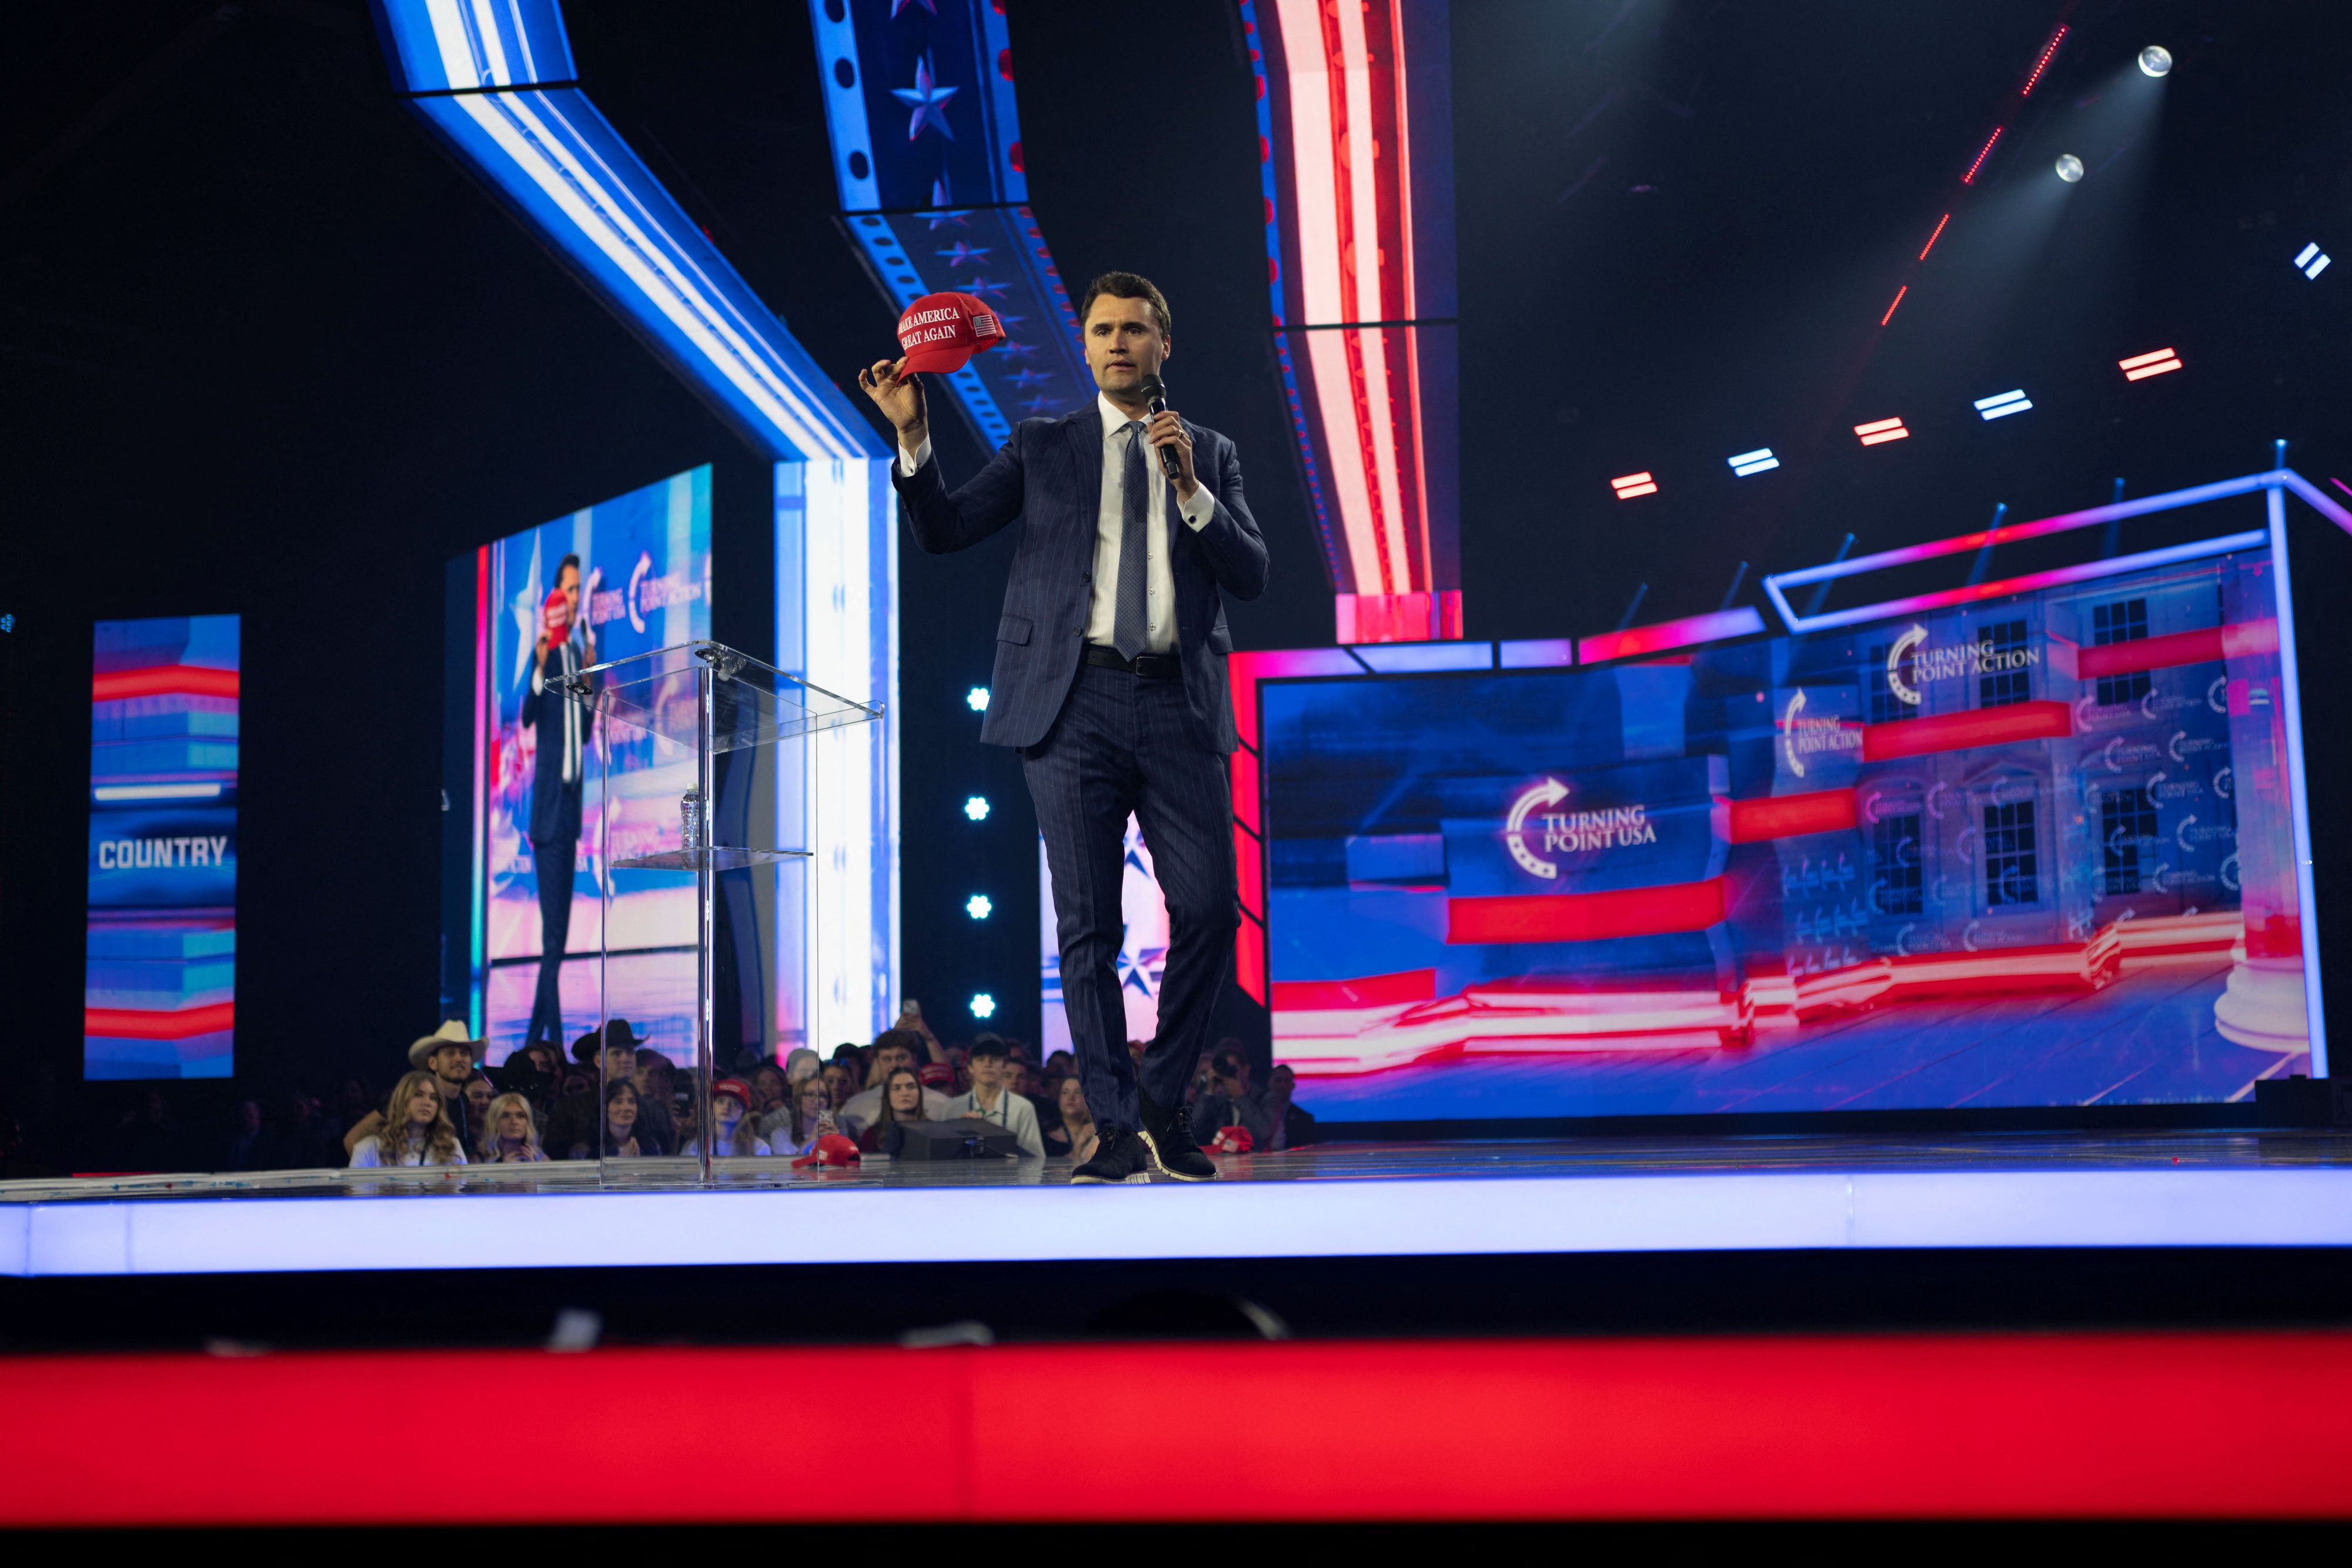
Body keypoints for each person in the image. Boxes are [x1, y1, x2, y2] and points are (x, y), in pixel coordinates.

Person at [862, 272, 1264, 1185]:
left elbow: (1252, 574)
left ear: (1165, 345)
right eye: (1103, 329)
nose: (1119, 342)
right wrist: (913, 435)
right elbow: (946, 529)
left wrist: (1193, 490)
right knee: (1089, 929)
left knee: (1207, 907)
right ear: (1083, 347)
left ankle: (1160, 1099)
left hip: (1178, 703)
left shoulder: (1210, 450)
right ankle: (1117, 1126)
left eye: (1136, 329)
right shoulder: (1044, 445)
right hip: (1071, 702)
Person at [519, 551, 597, 1048]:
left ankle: (534, 1043)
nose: (571, 599)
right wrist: (541, 662)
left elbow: (584, 732)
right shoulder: (547, 651)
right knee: (553, 938)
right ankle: (553, 1042)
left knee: (559, 938)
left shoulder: (581, 654)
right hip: (548, 812)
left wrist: (589, 680)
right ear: (554, 597)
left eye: (576, 592)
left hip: (570, 810)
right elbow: (528, 715)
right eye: (565, 591)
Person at [343, 1020, 482, 1159]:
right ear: (433, 1063)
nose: (459, 1059)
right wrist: (381, 1175)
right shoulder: (407, 1099)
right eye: (450, 1053)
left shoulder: (462, 1100)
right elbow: (353, 1139)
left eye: (464, 1054)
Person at [938, 1037, 1044, 1158]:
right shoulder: (951, 1108)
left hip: (1010, 1175)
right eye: (981, 1059)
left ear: (1004, 1066)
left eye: (995, 1059)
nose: (988, 1064)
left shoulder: (1022, 1108)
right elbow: (941, 1155)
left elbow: (1036, 1160)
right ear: (970, 1067)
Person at [837, 1029, 952, 1136]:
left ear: (914, 1059)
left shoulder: (942, 1104)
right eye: (887, 1059)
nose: (894, 1065)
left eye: (901, 1058)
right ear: (877, 1062)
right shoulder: (855, 1105)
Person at [349, 1071, 467, 1168]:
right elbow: (357, 1194)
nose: (427, 1103)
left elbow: (462, 1192)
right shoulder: (369, 1148)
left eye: (434, 1098)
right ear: (402, 1100)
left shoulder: (451, 1146)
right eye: (419, 1095)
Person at [683, 1078, 771, 1159]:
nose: (727, 1107)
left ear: (743, 1112)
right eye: (721, 1101)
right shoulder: (697, 1146)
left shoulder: (759, 1147)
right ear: (711, 1107)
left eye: (735, 1103)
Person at [566, 1078, 647, 1160]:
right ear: (605, 1108)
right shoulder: (584, 1151)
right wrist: (620, 1162)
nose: (626, 1108)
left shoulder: (649, 1144)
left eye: (632, 1102)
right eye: (618, 1102)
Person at [856, 1066, 928, 1156]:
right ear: (888, 1095)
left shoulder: (935, 1130)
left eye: (911, 1087)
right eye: (897, 1088)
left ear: (919, 1093)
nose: (905, 1093)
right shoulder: (873, 1134)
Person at [767, 1074, 838, 1159]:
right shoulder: (781, 1136)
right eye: (810, 1095)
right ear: (799, 1100)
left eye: (823, 1095)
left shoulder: (837, 1134)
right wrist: (811, 1140)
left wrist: (838, 1143)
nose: (817, 1101)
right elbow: (787, 1170)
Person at [1041, 1072, 1098, 1164]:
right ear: (1059, 1098)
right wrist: (1079, 1144)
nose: (1071, 1098)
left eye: (1078, 1092)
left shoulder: (1099, 1132)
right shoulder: (1046, 1137)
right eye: (1065, 1093)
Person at [478, 1092, 548, 1163]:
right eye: (506, 1116)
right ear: (495, 1122)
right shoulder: (479, 1159)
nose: (514, 1122)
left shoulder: (542, 1158)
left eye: (521, 1116)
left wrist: (533, 1168)